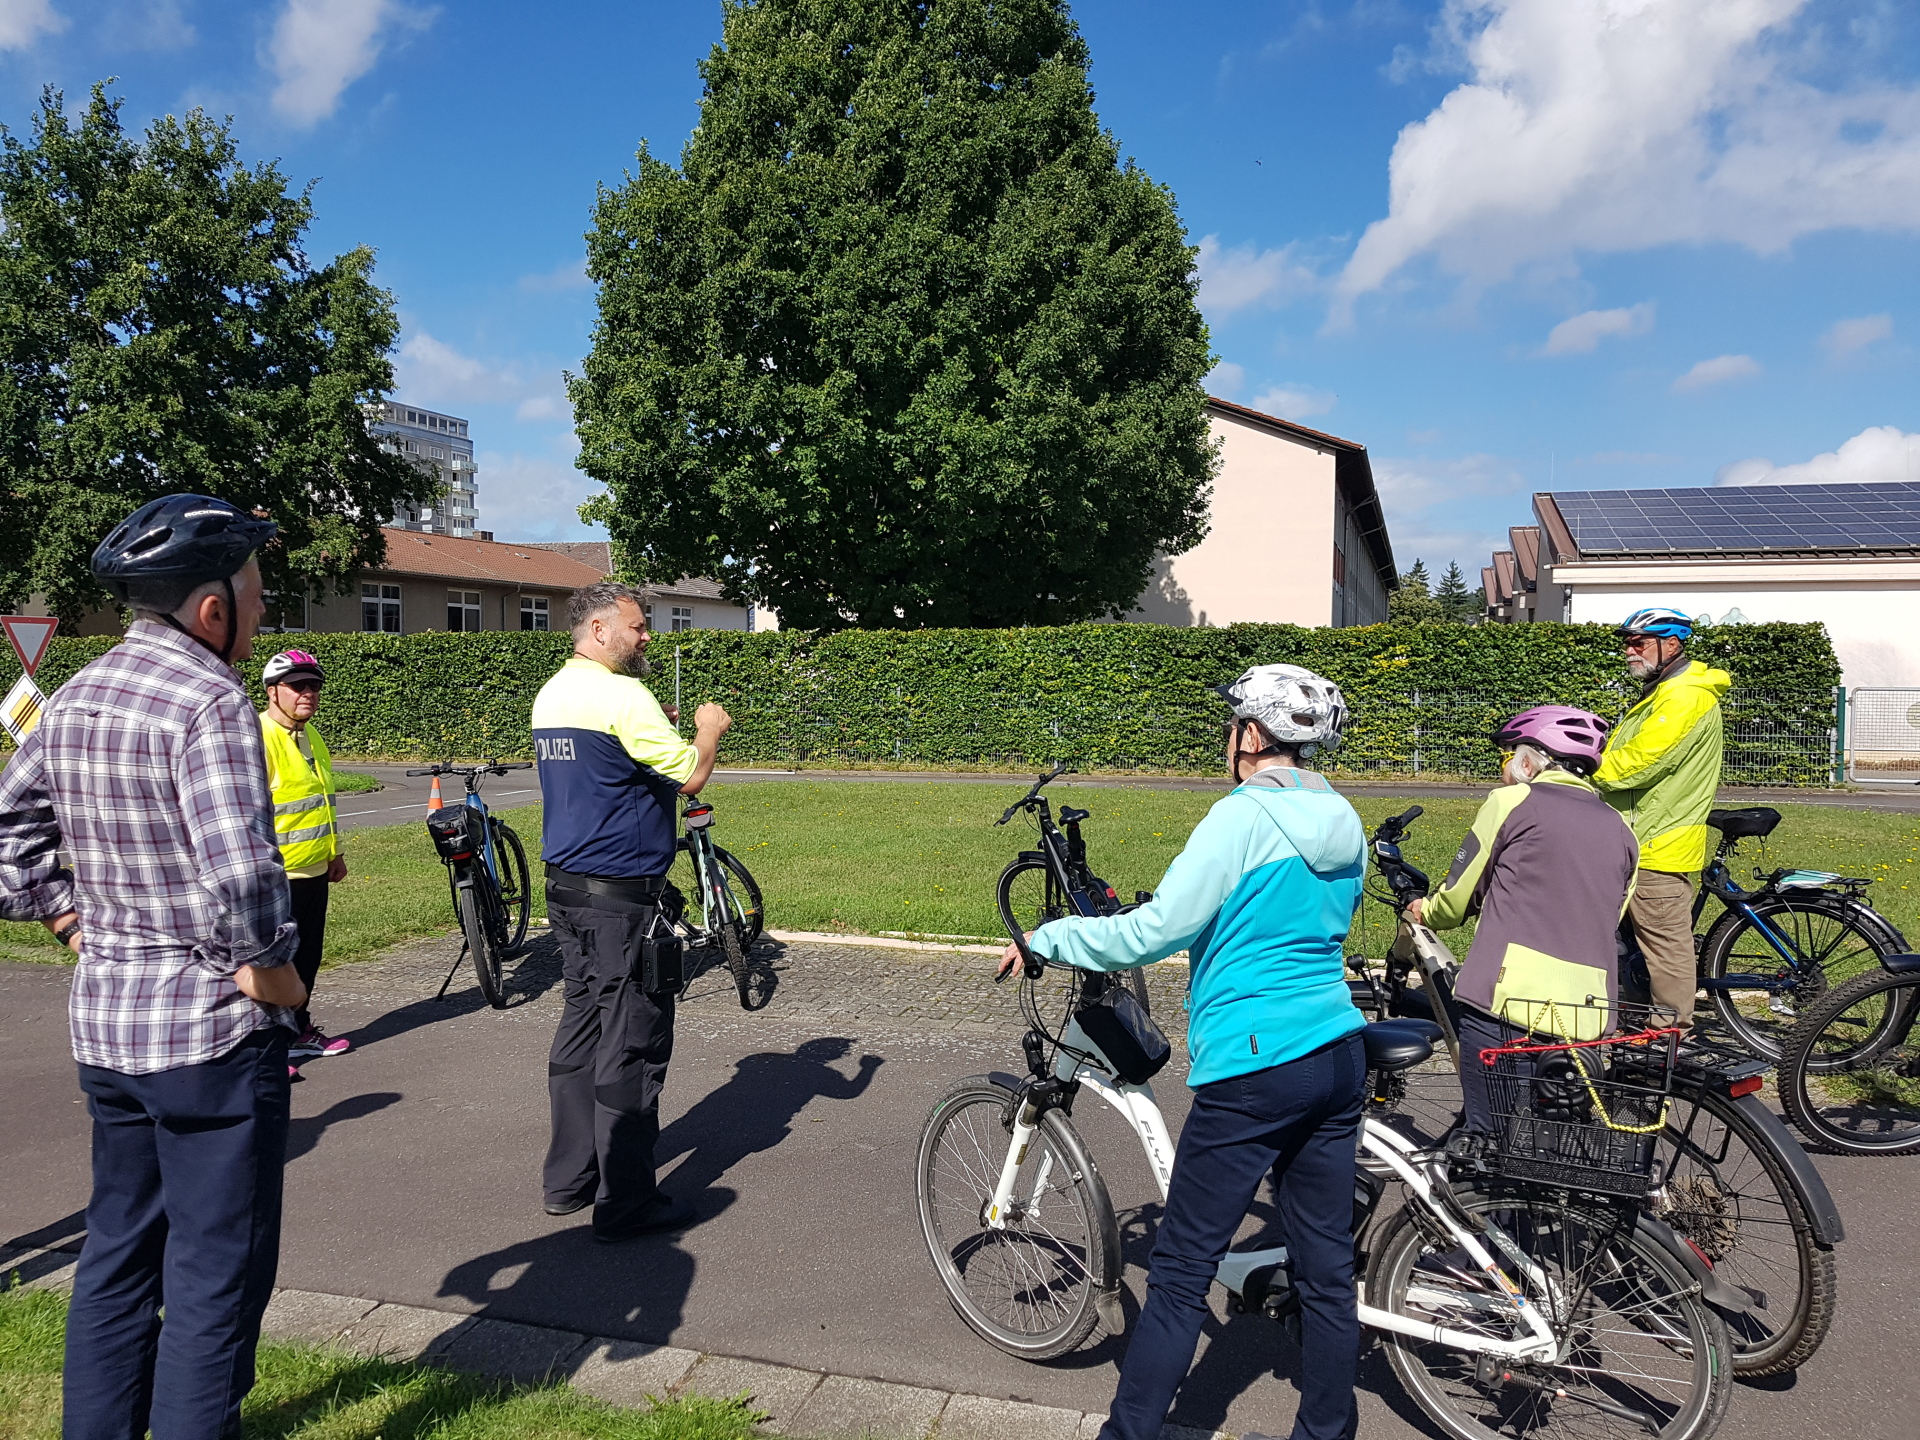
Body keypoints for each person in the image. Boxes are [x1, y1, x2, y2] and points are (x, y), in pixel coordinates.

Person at [0, 494, 305, 1440]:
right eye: (256, 597)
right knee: (214, 1279)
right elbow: (243, 872)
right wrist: (271, 970)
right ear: (210, 609)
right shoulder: (210, 700)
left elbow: (10, 835)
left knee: (116, 1258)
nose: (262, 614)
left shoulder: (78, 693)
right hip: (209, 1036)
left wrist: (69, 921)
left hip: (108, 1032)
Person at [999, 664, 1367, 1440]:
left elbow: (1152, 933)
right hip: (1336, 1050)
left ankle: (1126, 1434)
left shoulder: (1240, 819)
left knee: (1178, 1274)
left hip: (1257, 1063)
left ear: (1254, 737)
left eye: (1234, 724)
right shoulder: (1342, 815)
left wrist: (1049, 936)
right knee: (1328, 1275)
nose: (1226, 737)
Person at [531, 581, 732, 1241]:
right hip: (621, 901)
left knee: (581, 1029)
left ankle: (568, 1181)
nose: (647, 637)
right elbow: (690, 776)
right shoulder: (623, 696)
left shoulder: (555, 693)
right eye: (637, 627)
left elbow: (606, 770)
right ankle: (626, 1204)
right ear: (597, 630)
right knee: (633, 1043)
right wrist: (707, 729)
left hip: (566, 890)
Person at [1407, 707, 1639, 1131]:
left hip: (1506, 997)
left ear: (1529, 762)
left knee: (1491, 1134)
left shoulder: (1510, 800)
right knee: (1545, 1138)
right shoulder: (1623, 829)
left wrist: (1428, 910)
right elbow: (1612, 913)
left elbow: (1459, 896)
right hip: (1585, 1013)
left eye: (1511, 755)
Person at [1592, 607, 1731, 1029]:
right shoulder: (1662, 691)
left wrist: (1580, 768)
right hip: (1640, 836)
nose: (1630, 652)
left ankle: (1668, 1041)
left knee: (1666, 947)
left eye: (1640, 642)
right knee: (1628, 944)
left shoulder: (1684, 695)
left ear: (1672, 644)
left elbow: (1640, 762)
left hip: (1658, 843)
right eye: (1627, 644)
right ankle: (1632, 1027)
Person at [260, 648, 351, 1069]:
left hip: (313, 867)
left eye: (314, 686)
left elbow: (320, 801)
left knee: (307, 956)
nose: (308, 694)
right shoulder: (259, 738)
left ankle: (297, 1031)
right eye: (298, 686)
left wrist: (333, 853)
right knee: (275, 963)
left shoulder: (309, 735)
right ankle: (271, 1049)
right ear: (272, 691)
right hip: (277, 875)